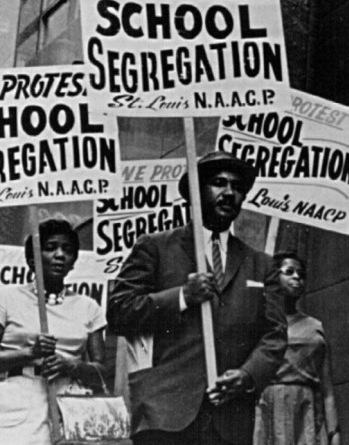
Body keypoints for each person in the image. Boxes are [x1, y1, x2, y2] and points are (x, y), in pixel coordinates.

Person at [107, 150, 287, 445]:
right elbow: (118, 312)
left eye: (237, 187)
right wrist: (181, 296)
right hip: (165, 413)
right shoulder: (155, 247)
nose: (229, 193)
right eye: (218, 183)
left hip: (229, 419)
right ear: (194, 192)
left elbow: (274, 336)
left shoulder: (262, 265)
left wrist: (247, 375)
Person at [0, 219, 108, 444]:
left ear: (73, 262)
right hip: (17, 402)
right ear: (32, 260)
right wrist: (30, 353)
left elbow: (101, 372)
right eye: (50, 248)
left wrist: (70, 365)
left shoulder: (89, 307)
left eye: (67, 250)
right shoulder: (6, 299)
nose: (60, 255)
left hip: (70, 402)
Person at [254, 252, 340, 445]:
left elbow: (327, 390)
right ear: (274, 277)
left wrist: (334, 433)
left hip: (306, 412)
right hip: (269, 409)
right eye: (289, 272)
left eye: (301, 274)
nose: (297, 277)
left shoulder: (315, 327)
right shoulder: (259, 325)